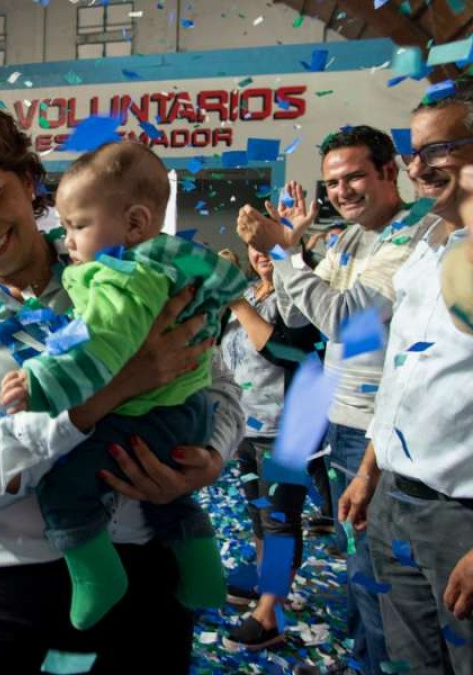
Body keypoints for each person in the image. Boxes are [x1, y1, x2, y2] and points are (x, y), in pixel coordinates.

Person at [0, 102, 244, 674]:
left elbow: (219, 387)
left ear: (29, 181)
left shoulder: (119, 266)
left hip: (142, 575)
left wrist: (210, 458)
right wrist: (98, 401)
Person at [0, 141, 245, 629]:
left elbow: (101, 346)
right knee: (172, 500)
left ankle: (98, 578)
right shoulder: (171, 263)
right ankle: (202, 574)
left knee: (66, 490)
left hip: (150, 413)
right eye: (66, 226)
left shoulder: (123, 278)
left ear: (134, 223)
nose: (68, 240)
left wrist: (42, 382)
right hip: (186, 413)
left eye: (78, 226)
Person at [236, 124, 432, 675]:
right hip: (338, 422)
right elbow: (302, 312)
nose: (342, 191)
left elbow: (343, 322)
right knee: (359, 570)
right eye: (333, 183)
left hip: (378, 431)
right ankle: (366, 659)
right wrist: (287, 254)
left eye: (354, 177)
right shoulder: (347, 239)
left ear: (390, 172)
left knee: (385, 580)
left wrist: (281, 250)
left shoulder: (414, 236)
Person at [339, 82, 473, 674]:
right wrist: (371, 470)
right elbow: (402, 368)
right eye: (414, 150)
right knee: (409, 662)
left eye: (437, 150)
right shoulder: (425, 241)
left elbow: (339, 320)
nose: (419, 167)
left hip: (460, 515)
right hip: (395, 493)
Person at [218, 244, 323, 651]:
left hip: (286, 428)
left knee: (280, 522)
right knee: (259, 516)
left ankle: (269, 615)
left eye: (271, 245)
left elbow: (286, 351)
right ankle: (268, 588)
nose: (262, 253)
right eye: (256, 246)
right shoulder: (247, 292)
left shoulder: (295, 296)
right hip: (247, 425)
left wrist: (239, 305)